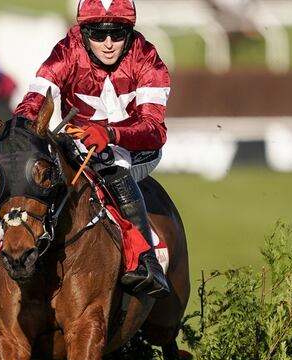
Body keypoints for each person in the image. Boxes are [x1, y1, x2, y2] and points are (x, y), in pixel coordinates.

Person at [11, 0, 172, 299]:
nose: (108, 44)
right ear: (83, 32)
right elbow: (36, 97)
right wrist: (20, 126)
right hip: (78, 141)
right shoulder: (67, 50)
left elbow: (154, 131)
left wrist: (111, 133)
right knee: (29, 172)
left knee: (114, 170)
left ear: (130, 31)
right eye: (98, 34)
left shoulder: (147, 58)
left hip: (136, 150)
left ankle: (145, 260)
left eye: (118, 34)